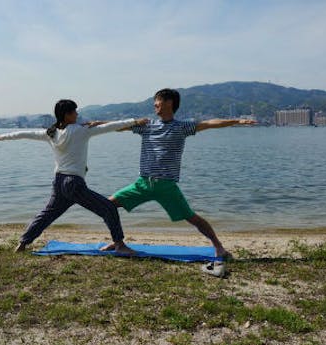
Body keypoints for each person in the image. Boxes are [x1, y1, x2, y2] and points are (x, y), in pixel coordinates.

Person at [103, 88, 257, 258]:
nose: (154, 104)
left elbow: (210, 123)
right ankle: (118, 241)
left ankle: (219, 247)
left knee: (192, 218)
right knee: (106, 205)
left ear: (169, 103)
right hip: (143, 183)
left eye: (157, 100)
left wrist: (237, 121)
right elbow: (118, 126)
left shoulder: (182, 127)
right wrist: (93, 125)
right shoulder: (147, 125)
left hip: (166, 185)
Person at [0, 99, 147, 255]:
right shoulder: (80, 130)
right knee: (109, 208)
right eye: (74, 112)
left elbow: (24, 134)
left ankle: (22, 244)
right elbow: (111, 126)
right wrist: (135, 121)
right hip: (73, 183)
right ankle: (119, 244)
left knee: (47, 214)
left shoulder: (51, 133)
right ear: (66, 115)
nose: (77, 114)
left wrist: (2, 137)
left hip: (59, 182)